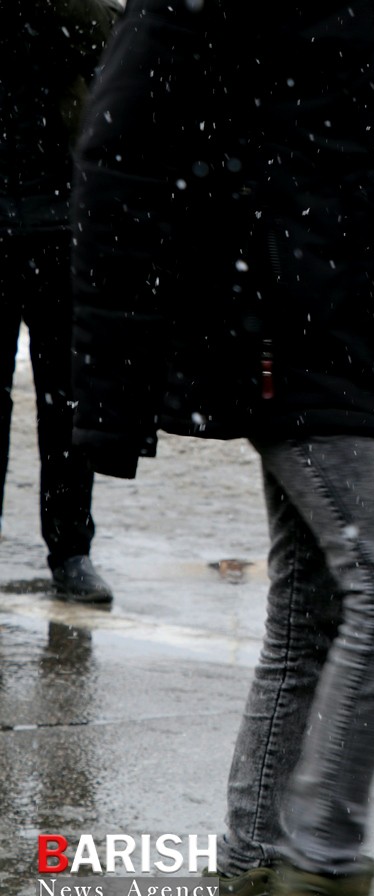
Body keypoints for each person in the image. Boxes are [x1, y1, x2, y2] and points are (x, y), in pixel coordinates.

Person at [68, 2, 374, 896]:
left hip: (346, 336)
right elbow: (122, 157)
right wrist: (105, 394)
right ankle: (317, 893)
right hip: (264, 331)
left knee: (311, 612)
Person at [0, 0, 120, 604]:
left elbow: (96, 35)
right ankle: (71, 552)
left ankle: (71, 549)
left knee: (67, 398)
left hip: (59, 219)